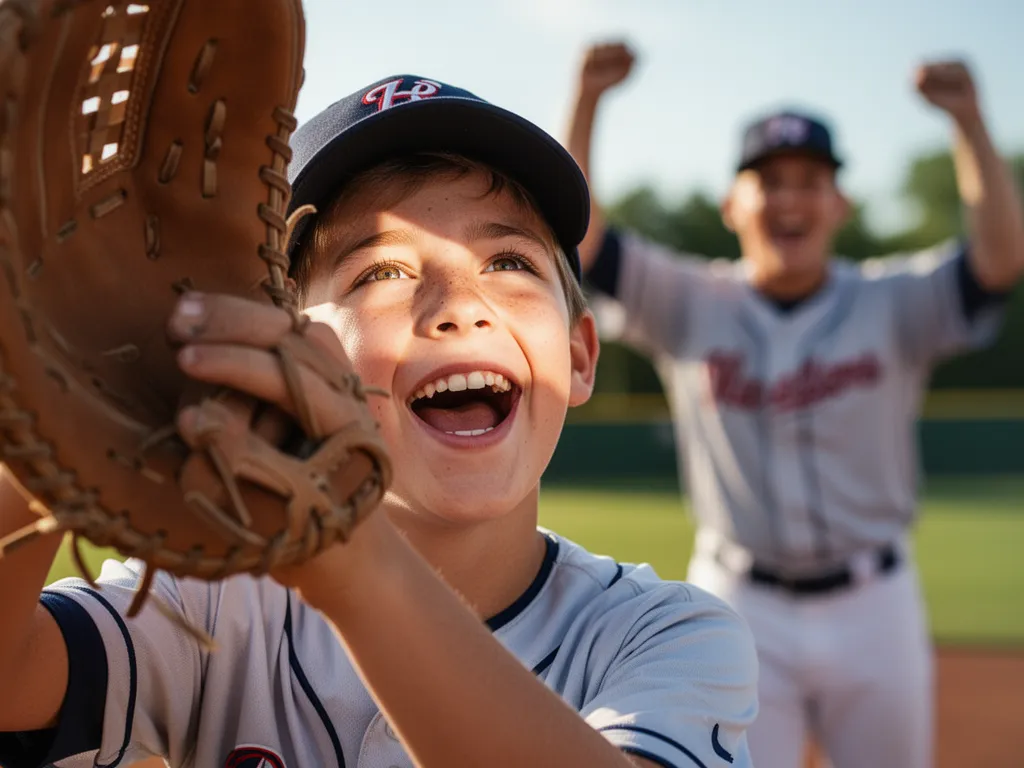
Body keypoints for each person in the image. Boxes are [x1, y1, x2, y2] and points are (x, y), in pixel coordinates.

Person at [0, 74, 759, 768]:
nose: (461, 306)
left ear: (580, 355)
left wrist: (356, 566)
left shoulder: (668, 634)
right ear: (278, 340)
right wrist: (46, 412)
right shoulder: (213, 603)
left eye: (510, 263)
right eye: (380, 272)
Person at [565, 42, 1024, 768]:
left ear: (839, 204)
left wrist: (968, 119)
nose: (789, 198)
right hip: (739, 599)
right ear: (732, 205)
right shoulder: (689, 300)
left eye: (811, 181)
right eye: (768, 180)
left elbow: (999, 259)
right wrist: (587, 99)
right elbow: (580, 244)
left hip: (876, 602)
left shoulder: (891, 300)